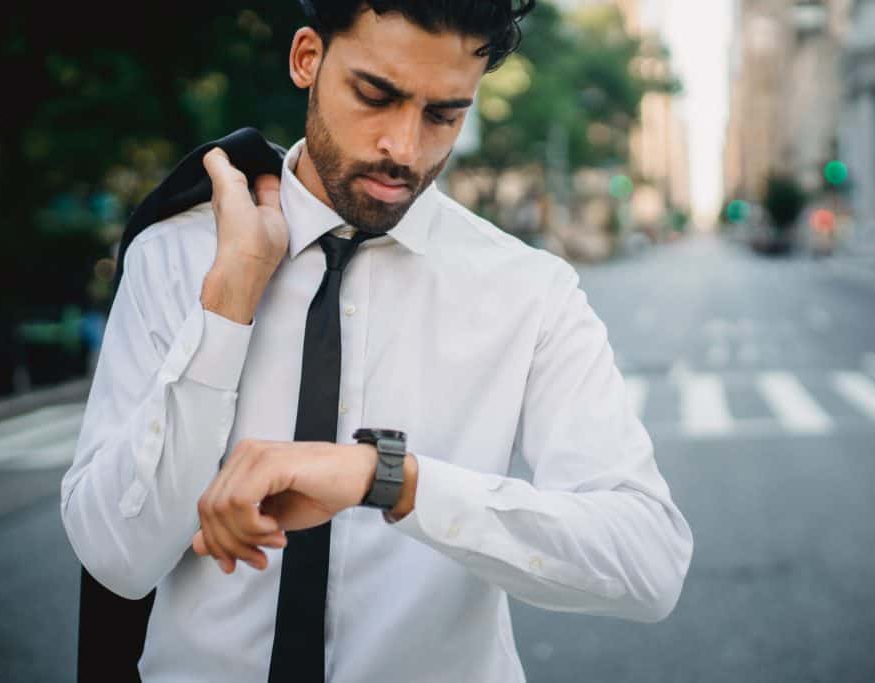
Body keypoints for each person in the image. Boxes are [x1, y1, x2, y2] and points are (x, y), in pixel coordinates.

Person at [60, 2, 693, 681]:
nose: (405, 148)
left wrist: (392, 479)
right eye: (376, 95)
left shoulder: (530, 293)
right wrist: (227, 307)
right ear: (308, 58)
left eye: (443, 114)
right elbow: (117, 560)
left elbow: (648, 560)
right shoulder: (174, 257)